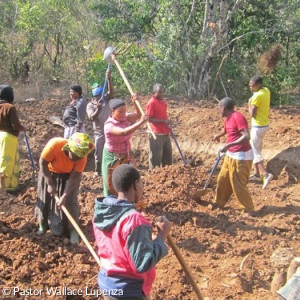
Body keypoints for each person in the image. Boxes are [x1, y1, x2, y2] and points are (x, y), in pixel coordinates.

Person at [93, 164, 171, 300]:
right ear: (135, 184)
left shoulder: (103, 212)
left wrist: (145, 239)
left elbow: (119, 243)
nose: (142, 187)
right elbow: (142, 264)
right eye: (141, 182)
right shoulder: (134, 220)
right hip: (129, 291)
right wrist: (161, 236)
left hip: (108, 285)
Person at [35, 132, 94, 244]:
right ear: (69, 148)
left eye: (79, 157)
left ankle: (73, 230)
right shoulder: (55, 145)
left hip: (68, 177)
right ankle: (42, 224)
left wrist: (65, 195)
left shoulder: (82, 156)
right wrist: (50, 184)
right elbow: (42, 163)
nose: (77, 159)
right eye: (75, 156)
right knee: (45, 199)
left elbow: (74, 177)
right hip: (49, 173)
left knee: (71, 203)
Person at [213, 97, 254, 212]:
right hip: (231, 155)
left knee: (238, 185)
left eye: (219, 108)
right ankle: (219, 202)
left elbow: (246, 136)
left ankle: (248, 209)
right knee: (222, 179)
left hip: (241, 156)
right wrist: (218, 135)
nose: (218, 111)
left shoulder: (238, 117)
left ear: (224, 108)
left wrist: (229, 145)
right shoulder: (228, 118)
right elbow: (226, 130)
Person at [102, 96, 148, 197]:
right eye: (120, 112)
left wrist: (135, 102)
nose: (123, 114)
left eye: (124, 111)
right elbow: (123, 132)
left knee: (128, 179)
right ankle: (111, 203)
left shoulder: (125, 117)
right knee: (111, 182)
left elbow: (138, 115)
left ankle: (129, 200)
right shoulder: (109, 125)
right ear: (112, 111)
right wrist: (141, 122)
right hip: (112, 157)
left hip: (125, 155)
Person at [86, 70, 114, 177]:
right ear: (94, 96)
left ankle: (111, 169)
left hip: (110, 130)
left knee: (112, 151)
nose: (99, 98)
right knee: (99, 153)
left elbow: (111, 92)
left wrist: (109, 78)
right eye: (97, 97)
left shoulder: (105, 98)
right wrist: (98, 109)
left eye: (100, 96)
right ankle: (98, 171)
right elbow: (91, 117)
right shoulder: (90, 105)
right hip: (99, 132)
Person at [248, 75, 273, 189]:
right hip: (264, 125)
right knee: (257, 148)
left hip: (257, 126)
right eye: (250, 85)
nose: (250, 87)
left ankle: (265, 174)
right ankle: (256, 173)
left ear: (258, 85)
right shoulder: (266, 91)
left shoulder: (257, 96)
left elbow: (251, 113)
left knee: (254, 151)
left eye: (252, 85)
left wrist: (249, 104)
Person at [0, 85, 26, 192]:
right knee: (8, 162)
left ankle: (12, 185)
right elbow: (16, 125)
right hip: (8, 138)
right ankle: (5, 188)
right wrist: (23, 128)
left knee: (4, 160)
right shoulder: (10, 107)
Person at [145, 83, 172, 169]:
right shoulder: (151, 103)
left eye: (162, 92)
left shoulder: (163, 101)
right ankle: (153, 176)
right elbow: (148, 119)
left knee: (167, 157)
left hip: (165, 131)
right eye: (159, 92)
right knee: (155, 158)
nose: (161, 94)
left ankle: (167, 175)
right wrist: (163, 121)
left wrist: (166, 121)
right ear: (153, 93)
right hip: (155, 133)